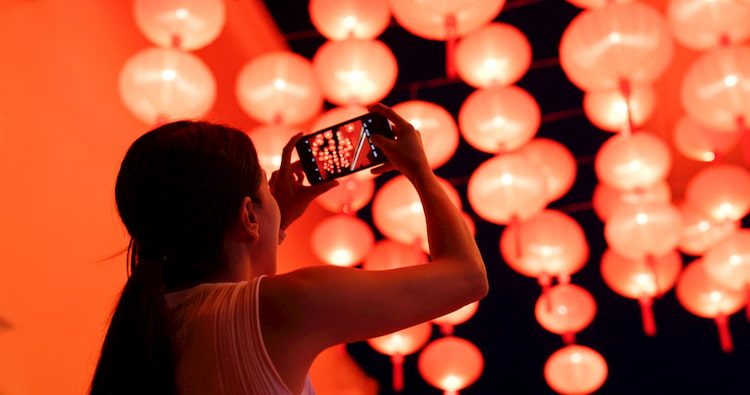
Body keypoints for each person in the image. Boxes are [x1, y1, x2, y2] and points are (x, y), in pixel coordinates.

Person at [90, 104, 488, 395]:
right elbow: (467, 277)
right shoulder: (287, 305)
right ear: (247, 214)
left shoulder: (152, 324)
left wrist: (271, 220)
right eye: (265, 187)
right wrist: (420, 172)